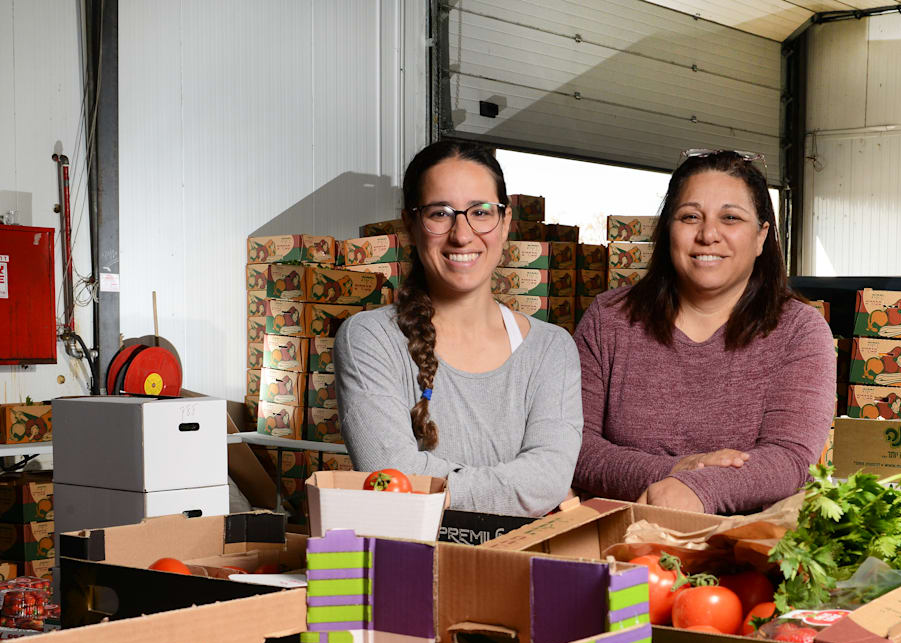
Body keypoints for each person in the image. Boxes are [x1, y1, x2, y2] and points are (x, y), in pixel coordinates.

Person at [573, 150, 835, 514]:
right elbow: (575, 448)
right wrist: (675, 472)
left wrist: (698, 490)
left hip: (748, 547)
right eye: (690, 217)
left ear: (761, 237)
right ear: (668, 230)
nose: (708, 234)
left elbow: (788, 459)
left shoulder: (799, 331)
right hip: (620, 540)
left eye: (730, 218)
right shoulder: (609, 320)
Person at [334, 140, 581, 517]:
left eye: (481, 212)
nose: (462, 235)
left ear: (506, 222)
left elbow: (548, 480)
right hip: (412, 569)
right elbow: (390, 477)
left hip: (519, 569)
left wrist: (436, 487)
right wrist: (521, 491)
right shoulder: (370, 340)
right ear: (411, 225)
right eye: (440, 213)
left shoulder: (551, 348)